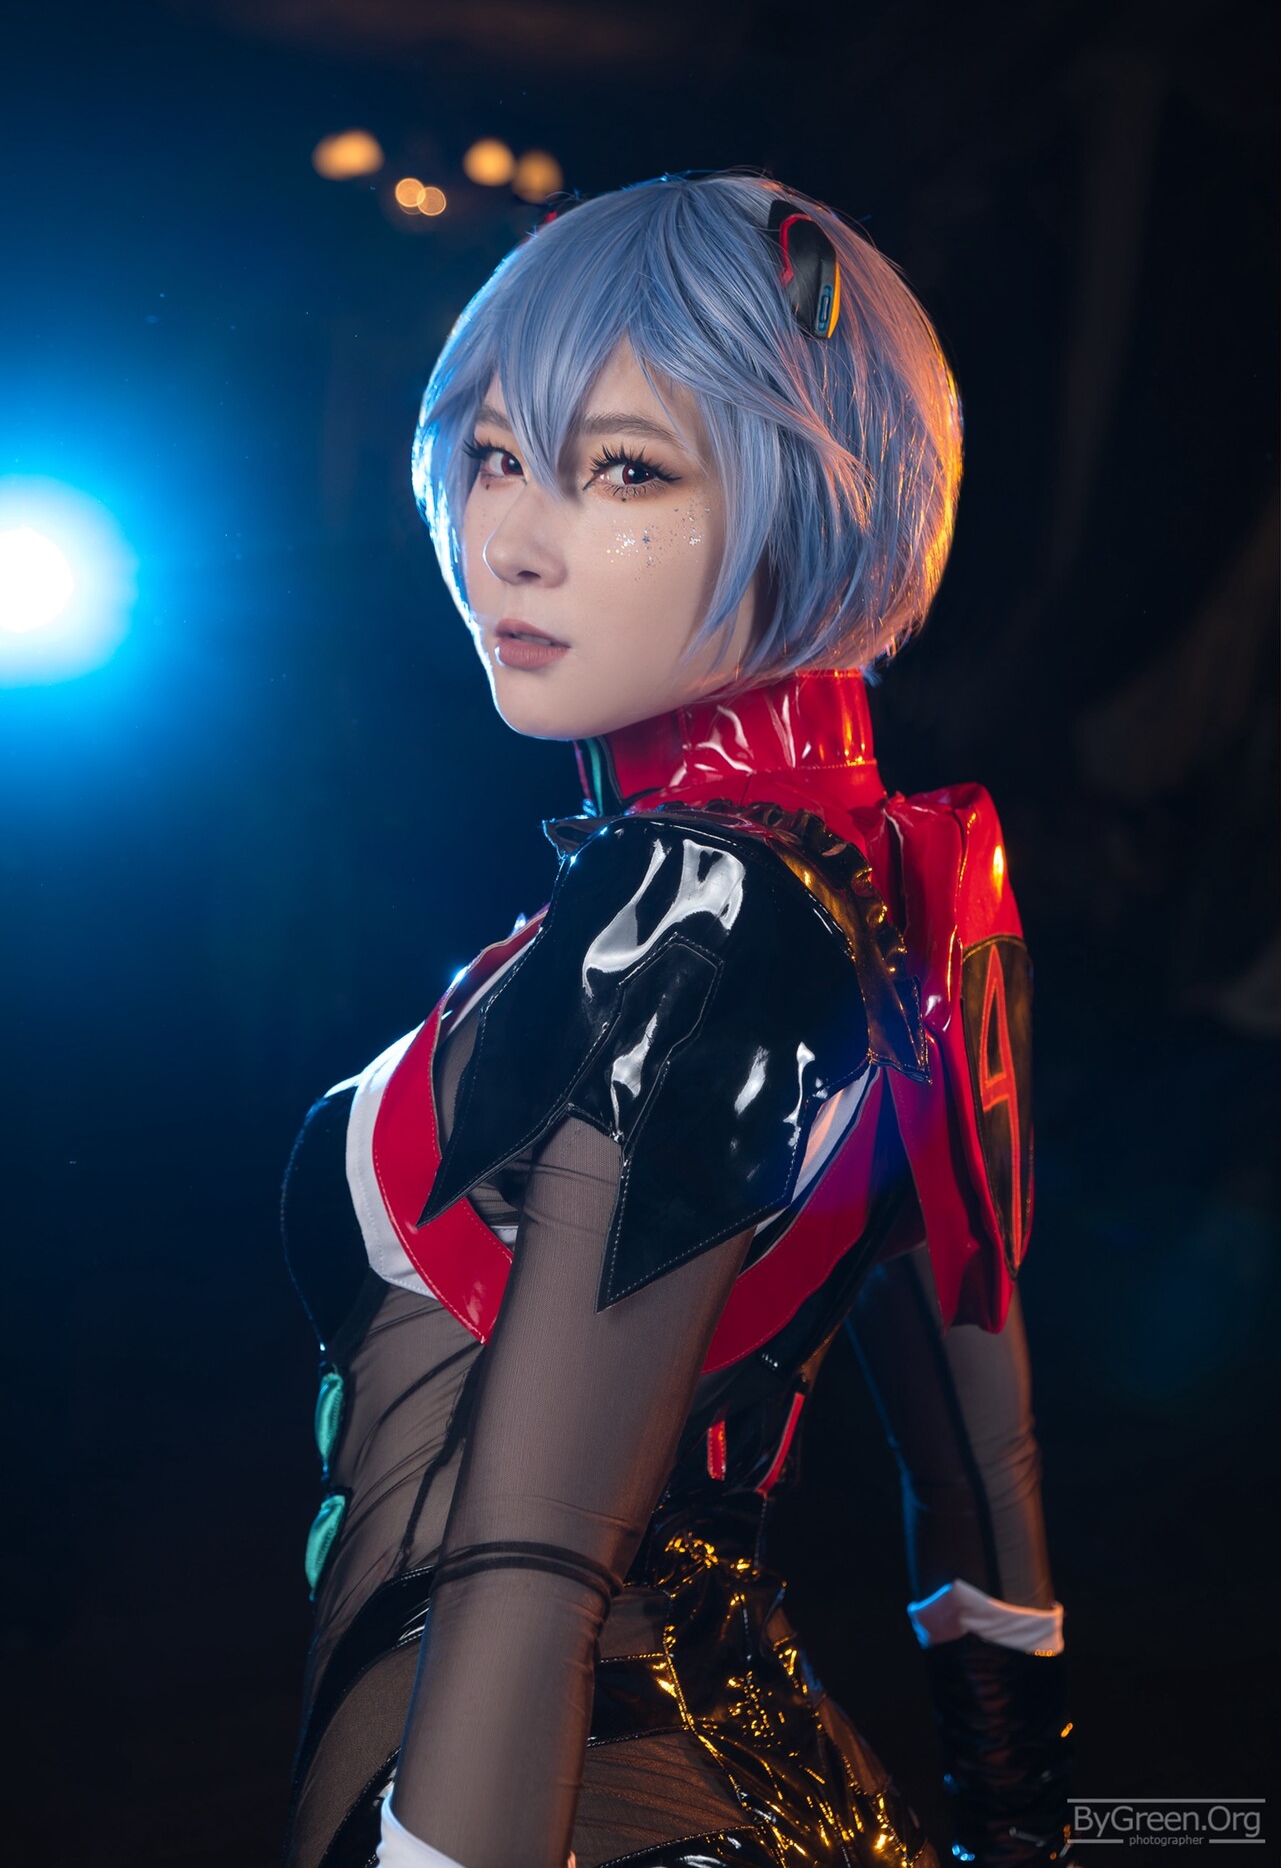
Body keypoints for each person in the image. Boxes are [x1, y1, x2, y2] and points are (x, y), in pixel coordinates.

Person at [280, 172, 1072, 1868]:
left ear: (812, 496)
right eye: (494, 456)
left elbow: (527, 1559)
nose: (510, 536)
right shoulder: (906, 884)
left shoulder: (702, 908)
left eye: (626, 468)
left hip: (551, 1807)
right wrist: (1019, 1829)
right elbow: (984, 1498)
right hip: (754, 1792)